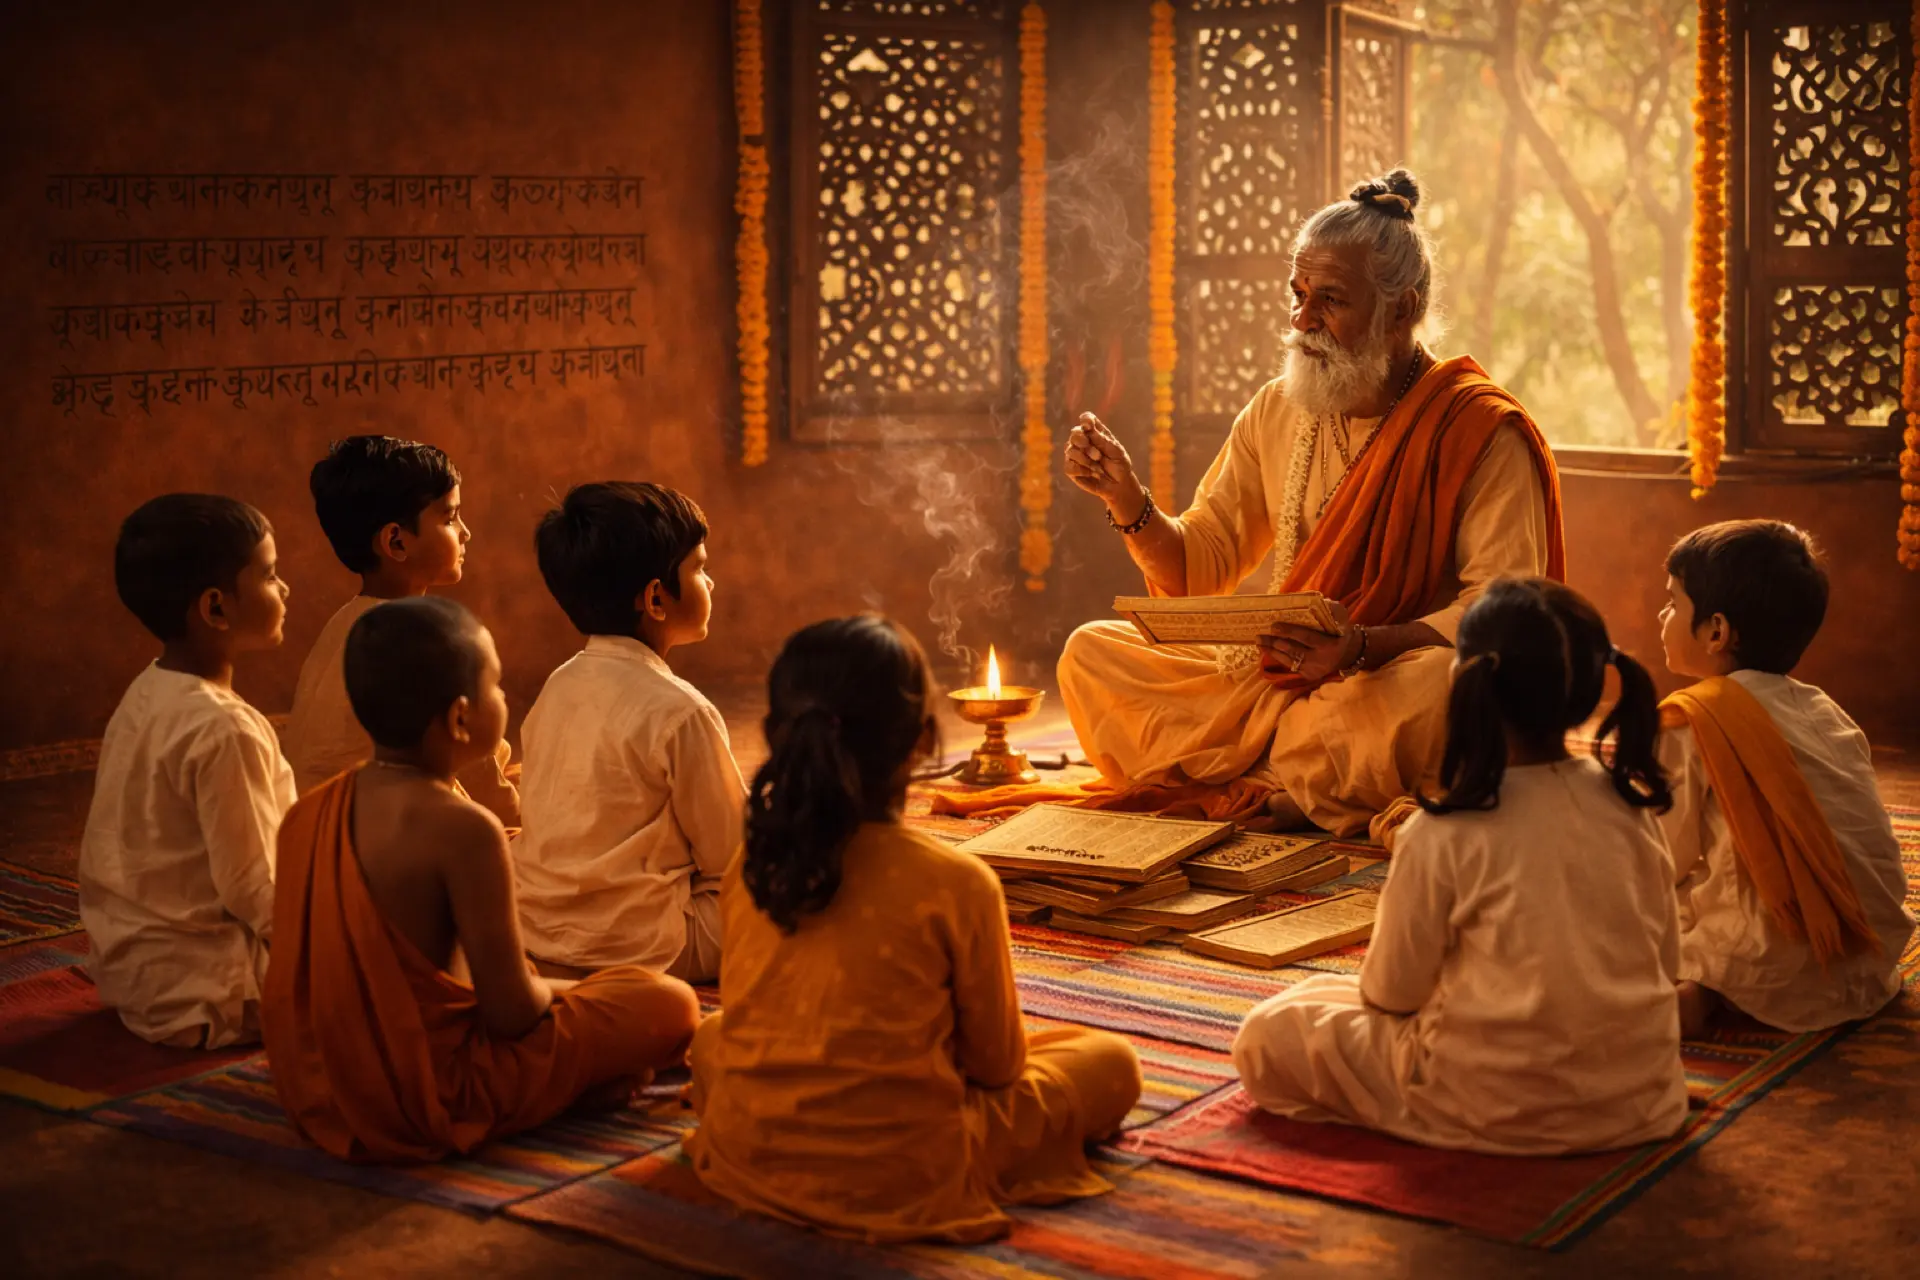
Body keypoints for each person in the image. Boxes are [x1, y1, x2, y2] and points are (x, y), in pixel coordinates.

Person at [1058, 169, 1563, 838]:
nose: (1302, 321)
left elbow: (1503, 611)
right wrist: (1129, 501)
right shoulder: (1280, 406)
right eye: (1297, 295)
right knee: (1092, 654)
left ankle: (1251, 773)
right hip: (1275, 678)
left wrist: (1358, 647)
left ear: (1402, 310)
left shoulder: (1478, 430)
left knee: (1444, 690)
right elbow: (1197, 566)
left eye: (1329, 300)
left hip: (1381, 679)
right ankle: (1299, 783)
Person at [686, 616, 1142, 1242]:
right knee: (1108, 1061)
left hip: (751, 1145)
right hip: (907, 1167)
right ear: (925, 740)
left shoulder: (754, 862)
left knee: (715, 1040)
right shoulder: (957, 881)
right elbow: (999, 1067)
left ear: (775, 736)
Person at [1231, 579, 1688, 1155]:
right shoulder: (1631, 803)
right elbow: (1666, 962)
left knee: (1270, 1032)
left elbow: (1391, 995)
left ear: (1461, 683)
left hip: (1487, 1097)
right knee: (1318, 996)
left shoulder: (1443, 827)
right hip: (1640, 1097)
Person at [262, 597, 700, 1163]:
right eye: (496, 685)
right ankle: (572, 1087)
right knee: (668, 1003)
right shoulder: (465, 829)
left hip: (317, 1087)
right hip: (432, 1091)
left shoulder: (308, 812)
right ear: (462, 718)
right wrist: (587, 995)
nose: (505, 699)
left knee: (588, 990)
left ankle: (581, 1075)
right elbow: (513, 1011)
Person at [1656, 520, 1913, 1037]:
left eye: (1673, 603)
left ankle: (1705, 988)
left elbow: (1661, 854)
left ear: (1716, 631)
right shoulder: (1828, 711)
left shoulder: (1692, 720)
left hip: (1772, 965)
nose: (1660, 615)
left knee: (1615, 900)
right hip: (1869, 949)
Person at [79, 494, 296, 1048]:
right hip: (211, 987)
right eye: (270, 576)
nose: (285, 589)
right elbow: (256, 888)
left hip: (133, 974)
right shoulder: (227, 729)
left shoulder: (147, 689)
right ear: (216, 608)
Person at [511, 482, 743, 982]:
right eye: (700, 568)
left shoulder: (559, 683)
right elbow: (732, 854)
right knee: (777, 887)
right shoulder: (682, 711)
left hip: (540, 931)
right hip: (646, 945)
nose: (711, 583)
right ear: (657, 598)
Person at [284, 435, 518, 823]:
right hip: (380, 839)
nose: (466, 533)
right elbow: (489, 794)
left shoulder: (344, 623)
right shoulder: (421, 640)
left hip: (319, 832)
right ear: (395, 541)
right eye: (449, 517)